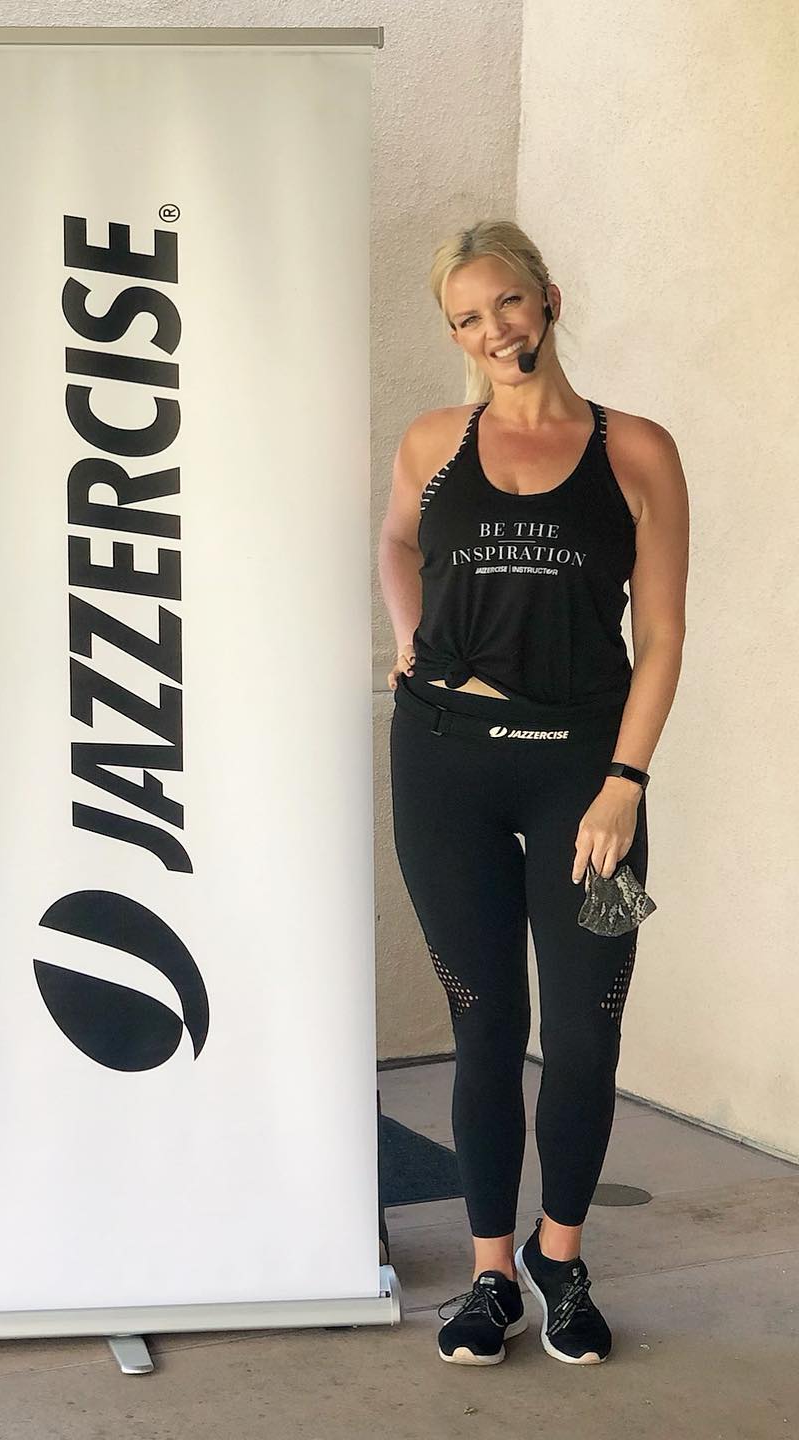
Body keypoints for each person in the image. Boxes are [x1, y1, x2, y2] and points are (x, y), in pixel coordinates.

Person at [377, 221, 688, 1367]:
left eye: (506, 303)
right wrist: (409, 640)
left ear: (548, 300)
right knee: (485, 1028)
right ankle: (492, 1274)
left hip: (584, 775)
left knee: (587, 1031)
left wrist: (625, 782)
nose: (492, 330)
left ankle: (562, 1257)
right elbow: (397, 543)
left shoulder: (637, 449)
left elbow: (663, 635)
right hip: (444, 762)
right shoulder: (433, 441)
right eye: (466, 317)